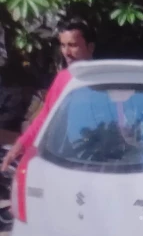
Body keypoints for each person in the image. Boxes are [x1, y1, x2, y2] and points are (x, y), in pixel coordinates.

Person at [0, 17, 96, 171]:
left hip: (102, 158)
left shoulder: (103, 78)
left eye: (73, 45)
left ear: (90, 47)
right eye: (63, 46)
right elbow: (45, 116)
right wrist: (18, 147)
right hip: (67, 157)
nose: (66, 52)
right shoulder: (63, 78)